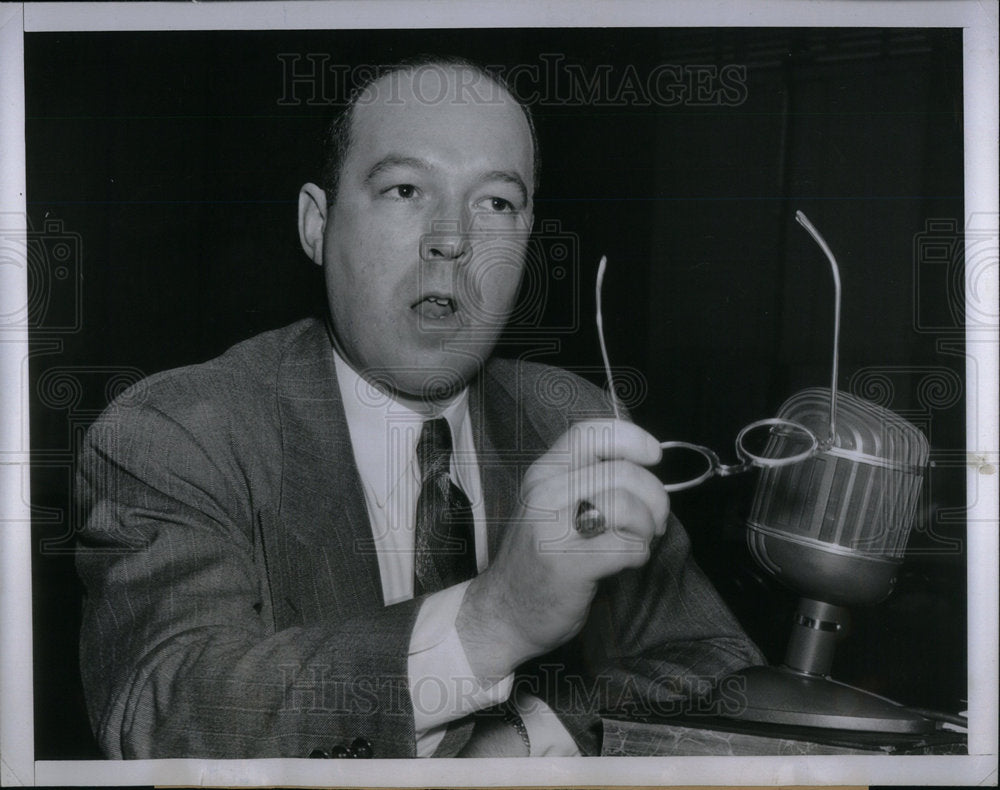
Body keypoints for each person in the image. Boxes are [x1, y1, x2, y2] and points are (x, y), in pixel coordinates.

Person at [76, 55, 763, 760]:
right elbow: (164, 709)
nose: (453, 240)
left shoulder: (572, 421)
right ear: (317, 224)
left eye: (496, 202)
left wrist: (528, 737)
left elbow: (714, 665)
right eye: (405, 189)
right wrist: (493, 622)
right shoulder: (179, 431)